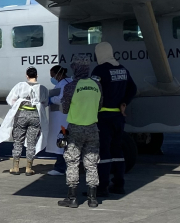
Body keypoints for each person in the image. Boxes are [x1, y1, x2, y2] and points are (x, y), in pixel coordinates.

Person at [90, 42, 137, 195]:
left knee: (103, 152)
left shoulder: (100, 70)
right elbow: (133, 88)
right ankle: (118, 184)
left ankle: (102, 187)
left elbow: (93, 90)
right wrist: (124, 102)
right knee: (117, 151)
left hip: (103, 117)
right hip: (118, 116)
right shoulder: (122, 69)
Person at [58, 56, 103, 208]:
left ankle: (72, 198)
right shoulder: (97, 85)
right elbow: (99, 106)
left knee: (72, 162)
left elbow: (64, 109)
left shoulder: (71, 86)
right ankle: (93, 199)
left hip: (76, 128)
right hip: (92, 128)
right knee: (91, 163)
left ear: (75, 68)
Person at [0, 66, 47, 174]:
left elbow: (10, 100)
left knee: (18, 141)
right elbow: (45, 102)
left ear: (27, 75)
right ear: (37, 76)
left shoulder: (20, 85)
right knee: (31, 142)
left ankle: (16, 167)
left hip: (21, 115)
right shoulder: (42, 88)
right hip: (35, 116)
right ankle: (29, 168)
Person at [45, 65, 70, 176]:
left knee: (61, 141)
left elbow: (62, 99)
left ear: (58, 74)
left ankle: (60, 167)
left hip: (62, 118)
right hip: (61, 117)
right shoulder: (68, 82)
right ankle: (62, 166)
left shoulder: (65, 83)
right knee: (62, 141)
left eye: (53, 76)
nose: (52, 78)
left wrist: (51, 99)